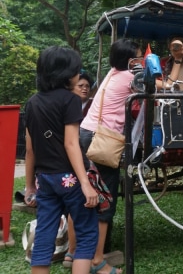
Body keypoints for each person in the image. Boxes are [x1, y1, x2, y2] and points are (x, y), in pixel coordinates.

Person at [23, 46, 99, 274]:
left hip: (44, 179)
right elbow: (71, 143)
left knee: (45, 232)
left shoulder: (32, 102)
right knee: (86, 232)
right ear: (66, 73)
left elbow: (29, 150)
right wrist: (86, 184)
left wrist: (29, 186)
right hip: (70, 178)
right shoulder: (70, 100)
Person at [80, 38, 141, 274]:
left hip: (87, 133)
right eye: (138, 57)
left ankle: (76, 252)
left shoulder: (112, 73)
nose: (141, 61)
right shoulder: (129, 78)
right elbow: (158, 86)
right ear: (130, 61)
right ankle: (97, 260)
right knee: (105, 199)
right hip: (102, 140)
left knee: (89, 193)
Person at [63, 71, 95, 268]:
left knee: (84, 206)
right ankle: (72, 250)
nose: (84, 88)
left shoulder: (92, 106)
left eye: (87, 86)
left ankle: (79, 251)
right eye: (80, 85)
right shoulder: (65, 105)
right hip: (70, 161)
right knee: (76, 206)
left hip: (91, 159)